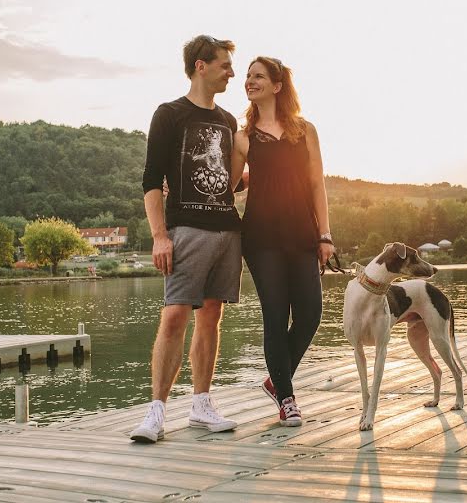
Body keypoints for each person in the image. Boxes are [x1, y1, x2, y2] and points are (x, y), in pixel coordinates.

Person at [130, 35, 243, 443]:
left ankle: (201, 405)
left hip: (228, 230)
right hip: (185, 230)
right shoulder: (170, 114)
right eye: (225, 64)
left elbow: (231, 183)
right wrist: (159, 236)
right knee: (175, 314)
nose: (232, 72)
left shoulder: (229, 122)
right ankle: (156, 413)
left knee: (211, 315)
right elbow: (150, 181)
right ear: (201, 65)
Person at [231, 56, 334, 427]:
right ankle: (287, 399)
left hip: (302, 233)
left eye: (257, 76)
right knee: (275, 317)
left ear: (277, 86)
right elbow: (228, 185)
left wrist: (325, 234)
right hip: (261, 238)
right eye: (246, 76)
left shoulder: (305, 130)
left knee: (309, 314)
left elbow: (316, 184)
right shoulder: (242, 138)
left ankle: (276, 379)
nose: (249, 80)